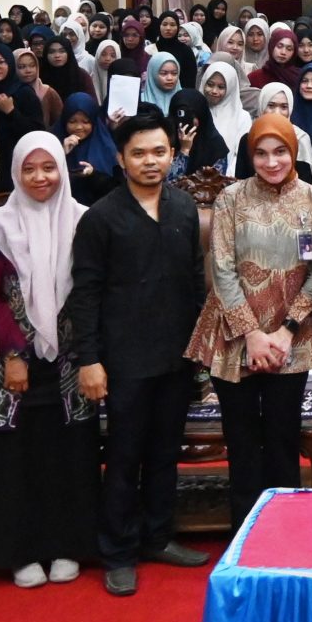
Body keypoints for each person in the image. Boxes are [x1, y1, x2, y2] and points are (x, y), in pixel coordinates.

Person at [66, 111, 211, 596]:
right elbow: (84, 294)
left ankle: (158, 536)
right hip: (124, 359)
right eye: (139, 153)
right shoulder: (101, 218)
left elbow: (195, 282)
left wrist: (200, 351)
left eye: (159, 152)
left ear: (172, 154)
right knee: (125, 457)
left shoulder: (184, 207)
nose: (151, 161)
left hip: (175, 355)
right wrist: (90, 360)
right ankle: (119, 552)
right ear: (121, 158)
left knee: (165, 454)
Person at [0, 130, 97, 588]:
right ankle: (18, 552)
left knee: (65, 455)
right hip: (10, 366)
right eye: (29, 168)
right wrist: (14, 353)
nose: (41, 178)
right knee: (12, 461)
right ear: (16, 172)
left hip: (68, 362)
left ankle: (66, 544)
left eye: (49, 167)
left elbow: (92, 291)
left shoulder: (83, 221)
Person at [192, 107, 312, 528]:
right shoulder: (231, 198)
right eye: (262, 154)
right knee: (244, 444)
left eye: (281, 152)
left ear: (294, 152)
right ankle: (244, 537)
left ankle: (283, 536)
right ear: (250, 156)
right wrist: (251, 334)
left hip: (293, 336)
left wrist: (286, 332)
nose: (272, 162)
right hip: (234, 337)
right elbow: (223, 269)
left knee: (283, 440)